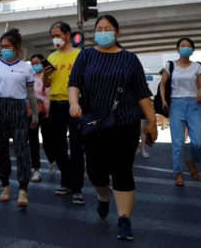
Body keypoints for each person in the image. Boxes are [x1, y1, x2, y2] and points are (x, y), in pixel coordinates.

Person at [68, 15, 157, 241]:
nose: (103, 32)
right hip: (93, 122)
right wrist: (74, 103)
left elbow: (141, 93)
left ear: (118, 32)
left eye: (108, 28)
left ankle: (124, 219)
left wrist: (152, 121)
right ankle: (103, 196)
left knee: (122, 170)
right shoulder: (86, 55)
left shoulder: (129, 59)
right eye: (99, 28)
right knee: (96, 171)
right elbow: (74, 82)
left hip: (125, 122)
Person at [0, 29, 40, 207]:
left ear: (17, 47)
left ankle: (23, 189)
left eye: (8, 46)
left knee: (22, 149)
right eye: (2, 46)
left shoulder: (26, 67)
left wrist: (35, 114)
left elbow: (31, 93)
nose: (4, 49)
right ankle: (5, 185)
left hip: (18, 109)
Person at [42, 21, 85, 205]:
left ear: (68, 35)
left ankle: (77, 188)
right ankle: (66, 181)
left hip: (75, 104)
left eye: (58, 35)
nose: (55, 39)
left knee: (76, 147)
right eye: (53, 36)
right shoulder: (52, 56)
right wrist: (46, 74)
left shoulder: (80, 55)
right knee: (56, 146)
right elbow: (47, 84)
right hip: (56, 104)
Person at [159, 37, 201, 186]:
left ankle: (191, 160)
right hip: (176, 105)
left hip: (193, 105)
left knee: (199, 141)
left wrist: (200, 94)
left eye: (189, 46)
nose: (186, 47)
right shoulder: (170, 65)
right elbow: (163, 84)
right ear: (178, 49)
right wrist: (164, 100)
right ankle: (178, 173)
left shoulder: (197, 67)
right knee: (178, 143)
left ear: (192, 49)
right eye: (183, 45)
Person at [28, 54, 54, 182]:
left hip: (47, 115)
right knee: (33, 143)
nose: (34, 65)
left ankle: (52, 160)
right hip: (33, 114)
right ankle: (36, 170)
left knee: (48, 142)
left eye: (37, 62)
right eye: (32, 63)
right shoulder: (30, 78)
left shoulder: (50, 78)